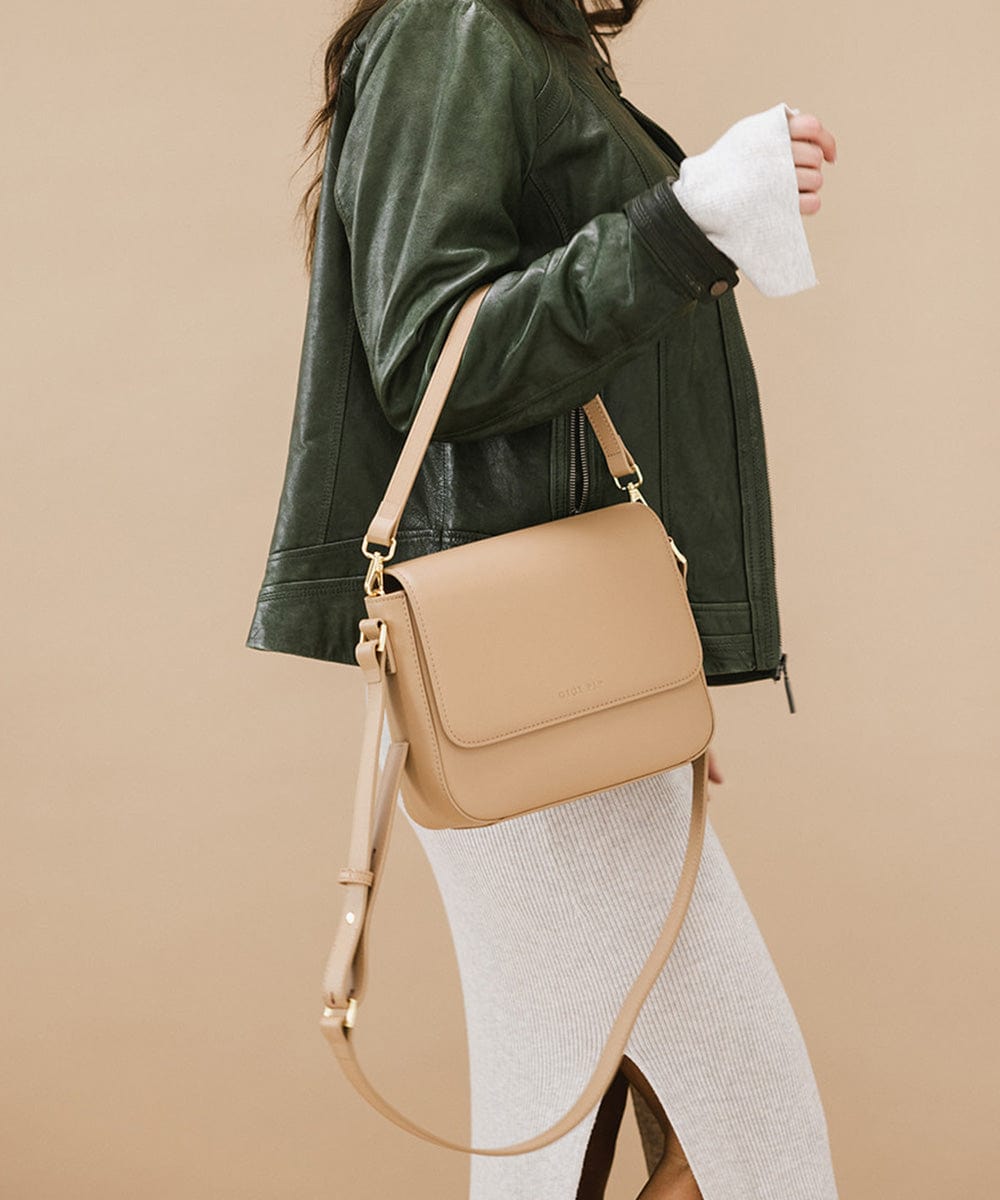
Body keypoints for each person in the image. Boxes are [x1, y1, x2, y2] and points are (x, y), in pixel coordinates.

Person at [245, 0, 839, 1193]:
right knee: (754, 1149)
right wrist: (684, 219)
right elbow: (431, 354)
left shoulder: (531, 41)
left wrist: (637, 671)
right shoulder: (448, 26)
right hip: (515, 683)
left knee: (563, 1131)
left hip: (562, 682)